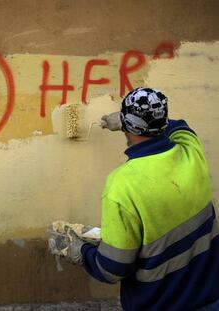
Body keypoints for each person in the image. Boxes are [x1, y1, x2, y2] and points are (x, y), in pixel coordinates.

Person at [49, 87, 219, 310]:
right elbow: (179, 126)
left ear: (127, 126)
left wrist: (78, 250)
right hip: (210, 298)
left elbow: (112, 268)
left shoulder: (122, 185)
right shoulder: (190, 150)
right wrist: (131, 120)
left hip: (160, 304)